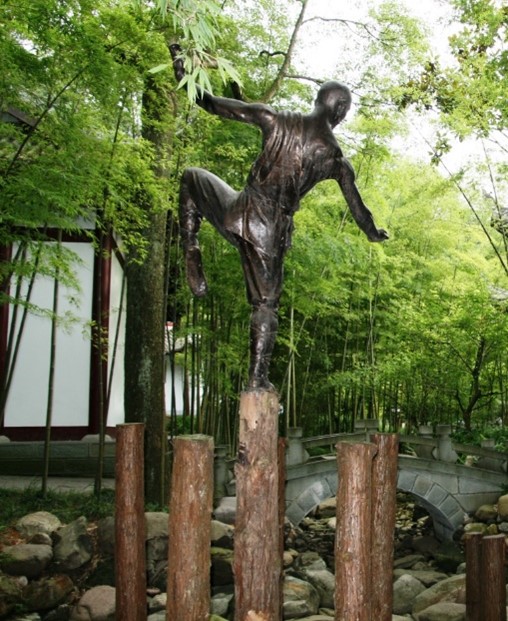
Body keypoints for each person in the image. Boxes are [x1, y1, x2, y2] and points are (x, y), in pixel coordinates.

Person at [170, 45, 388, 391]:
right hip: (270, 234)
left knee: (191, 177)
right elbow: (359, 210)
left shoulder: (272, 118)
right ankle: (257, 378)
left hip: (237, 211)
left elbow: (210, 103)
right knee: (265, 305)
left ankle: (190, 245)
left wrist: (181, 70)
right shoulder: (335, 160)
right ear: (339, 110)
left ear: (317, 101)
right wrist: (374, 232)